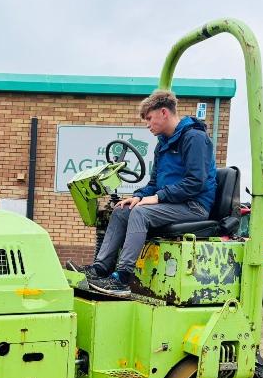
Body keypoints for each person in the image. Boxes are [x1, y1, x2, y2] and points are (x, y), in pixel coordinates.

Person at [71, 89, 218, 297]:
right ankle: (100, 269)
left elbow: (195, 182)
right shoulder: (163, 145)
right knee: (122, 210)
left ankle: (122, 278)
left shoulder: (195, 138)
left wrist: (157, 197)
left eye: (149, 118)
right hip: (172, 204)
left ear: (164, 112)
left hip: (194, 206)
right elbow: (154, 183)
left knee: (141, 213)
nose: (147, 124)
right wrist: (139, 196)